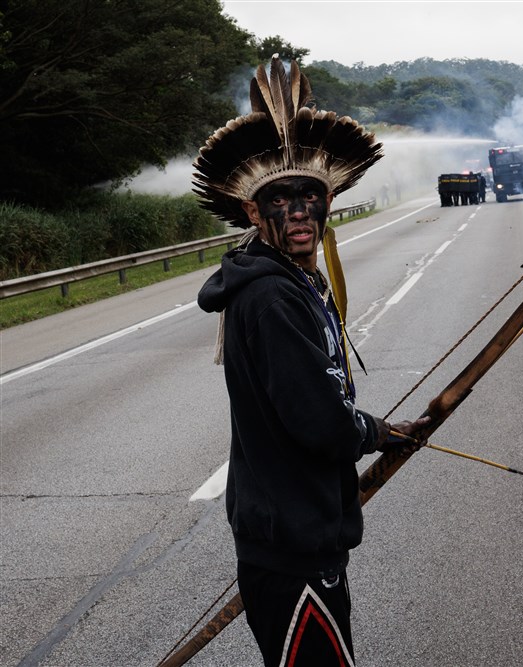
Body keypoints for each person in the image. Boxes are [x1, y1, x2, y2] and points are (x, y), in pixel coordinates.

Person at [194, 55, 425, 667]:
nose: (299, 211)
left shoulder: (291, 284)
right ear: (251, 212)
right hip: (290, 542)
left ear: (328, 204)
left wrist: (379, 431)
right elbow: (320, 421)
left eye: (310, 196)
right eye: (281, 198)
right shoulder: (272, 296)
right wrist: (376, 431)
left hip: (296, 534)